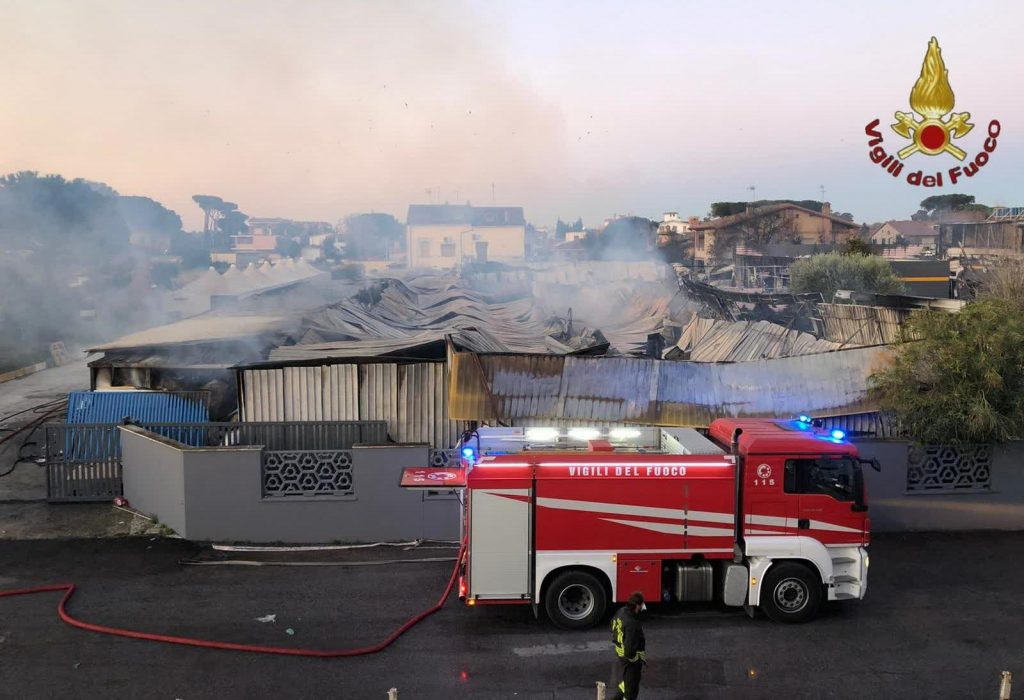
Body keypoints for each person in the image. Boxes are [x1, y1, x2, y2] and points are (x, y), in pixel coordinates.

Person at [609, 591, 647, 700]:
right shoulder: (633, 624)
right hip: (630, 660)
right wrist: (637, 659)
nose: (642, 607)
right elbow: (629, 651)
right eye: (641, 605)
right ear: (637, 606)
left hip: (620, 652)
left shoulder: (621, 611)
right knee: (631, 689)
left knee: (627, 682)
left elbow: (612, 625)